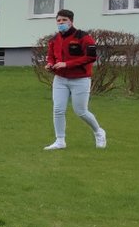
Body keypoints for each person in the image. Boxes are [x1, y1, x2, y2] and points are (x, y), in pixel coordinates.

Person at [43, 9, 106, 150]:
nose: (61, 23)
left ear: (71, 21)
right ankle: (60, 141)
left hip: (80, 79)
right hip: (60, 79)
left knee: (81, 111)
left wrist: (67, 64)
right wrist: (50, 64)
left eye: (64, 20)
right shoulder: (54, 40)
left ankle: (99, 132)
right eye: (58, 20)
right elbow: (51, 56)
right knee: (58, 110)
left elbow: (91, 57)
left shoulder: (84, 37)